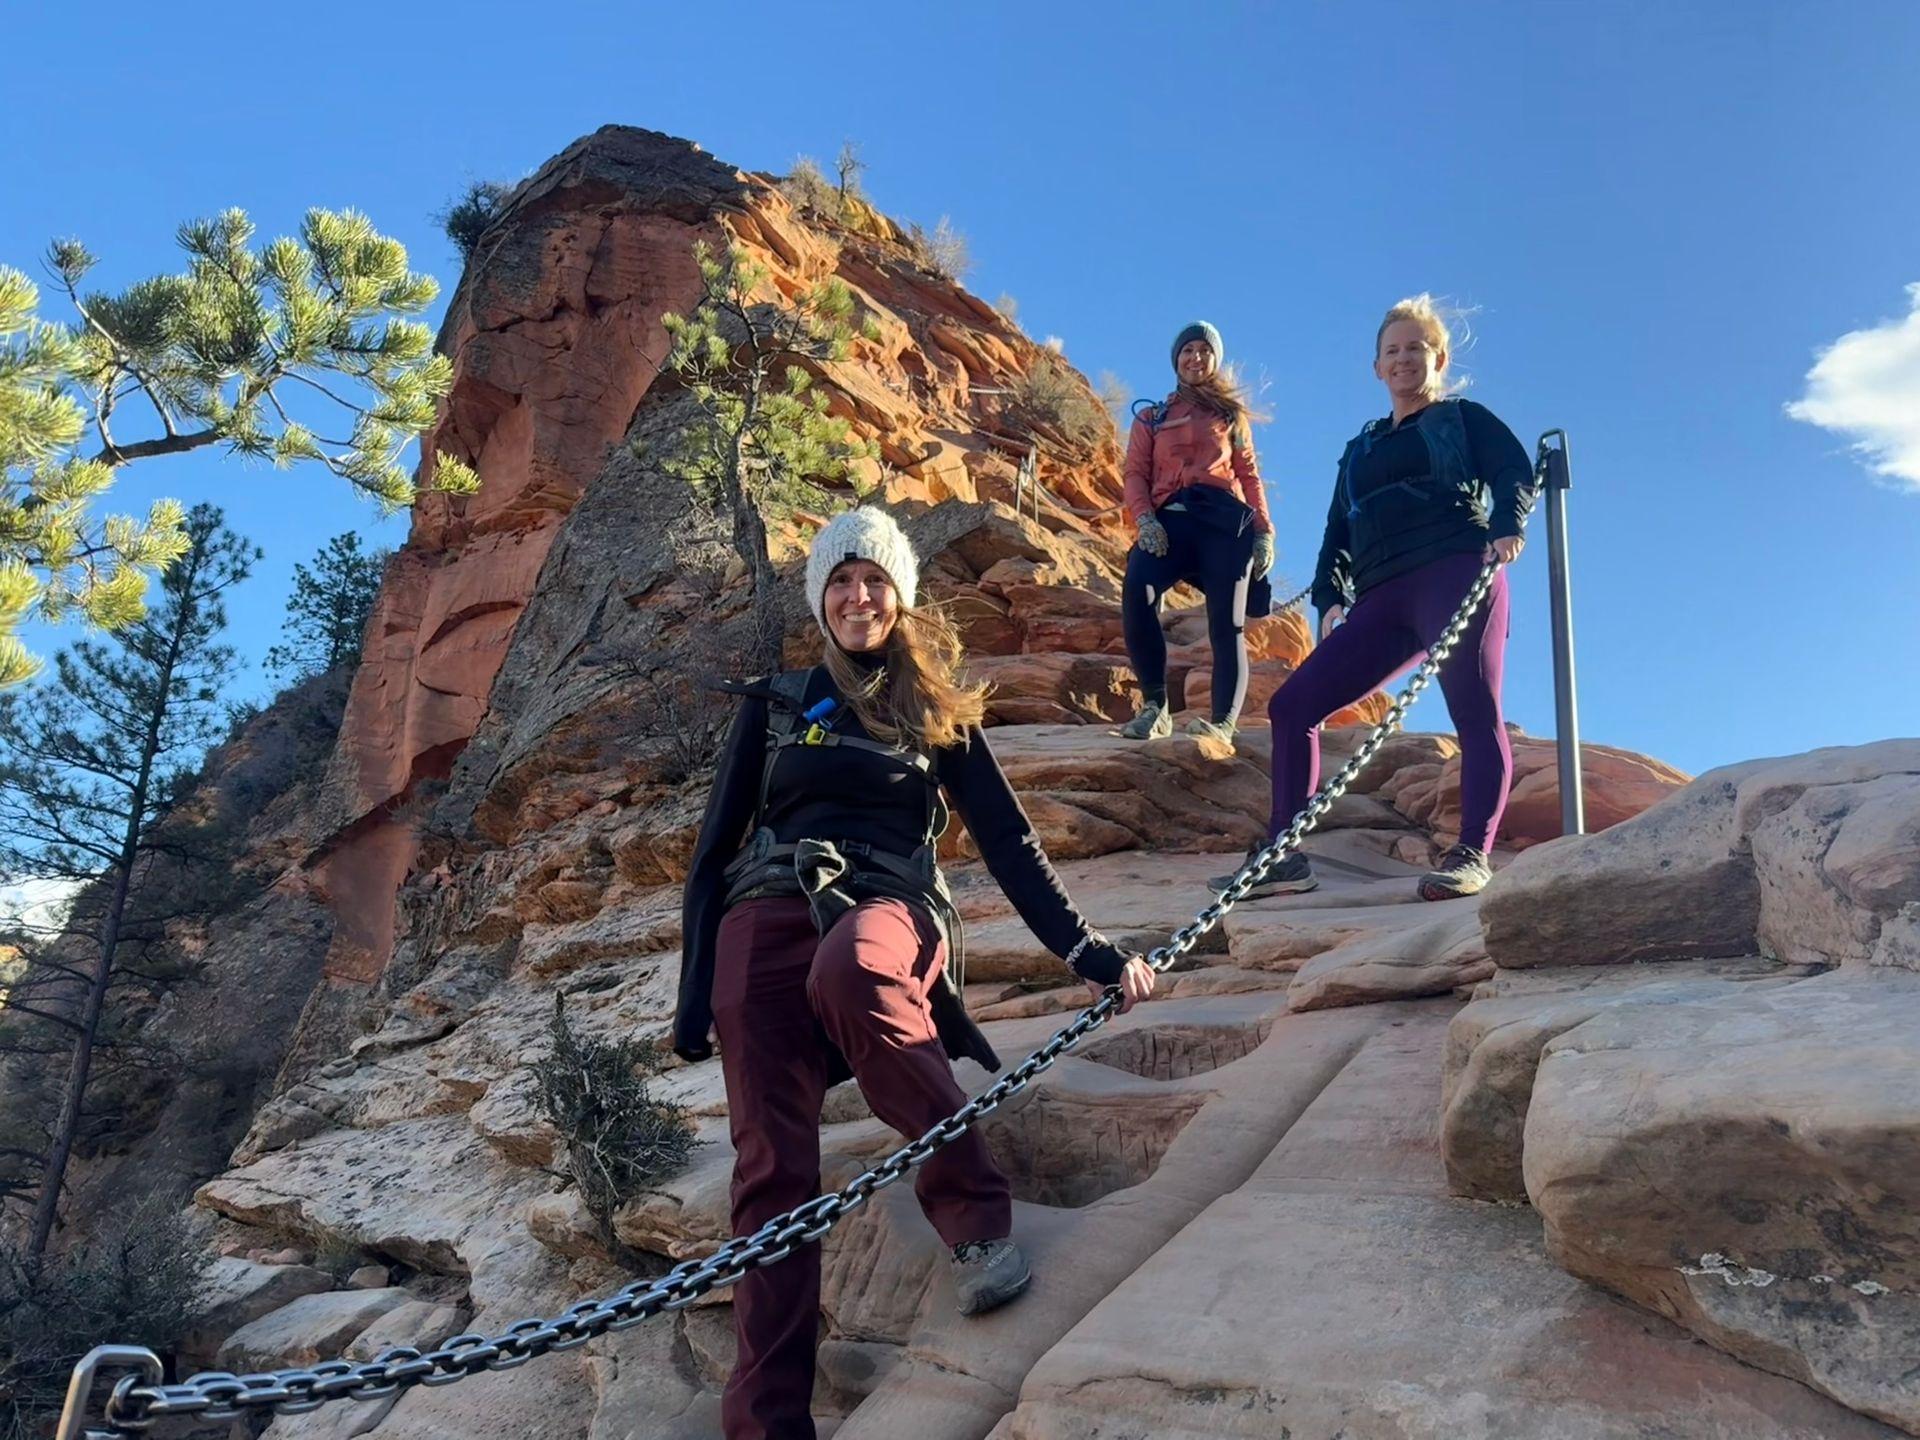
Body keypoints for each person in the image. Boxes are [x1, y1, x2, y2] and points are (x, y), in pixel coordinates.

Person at [675, 506, 1157, 1440]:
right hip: (763, 908)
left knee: (853, 970)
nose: (858, 597)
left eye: (875, 580)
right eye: (841, 581)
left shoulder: (936, 710)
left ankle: (975, 1219)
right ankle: (767, 1423)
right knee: (769, 1170)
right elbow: (711, 853)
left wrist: (1088, 951)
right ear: (820, 598)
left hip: (887, 903)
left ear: (900, 595)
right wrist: (697, 999)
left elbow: (1011, 843)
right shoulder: (775, 704)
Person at [1218, 295, 1538, 902]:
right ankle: (1283, 857)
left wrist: (1508, 523)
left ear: (1439, 359)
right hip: (1379, 598)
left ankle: (1472, 853)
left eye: (1416, 348)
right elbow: (1338, 526)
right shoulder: (1360, 447)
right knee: (1293, 706)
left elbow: (1512, 469)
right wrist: (1330, 594)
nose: (1403, 359)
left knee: (1473, 708)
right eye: (1392, 350)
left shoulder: (1462, 418)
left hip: (1455, 569)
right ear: (1376, 367)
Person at [1118, 321, 1277, 748]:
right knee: (1138, 590)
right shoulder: (1152, 418)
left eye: (1205, 351)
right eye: (1188, 350)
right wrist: (1144, 519)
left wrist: (1264, 533)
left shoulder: (1230, 418)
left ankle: (1222, 723)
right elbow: (1135, 474)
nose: (1196, 357)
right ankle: (1155, 708)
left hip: (1224, 526)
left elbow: (1249, 475)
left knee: (1227, 624)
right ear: (1176, 359)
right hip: (1169, 521)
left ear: (1214, 361)